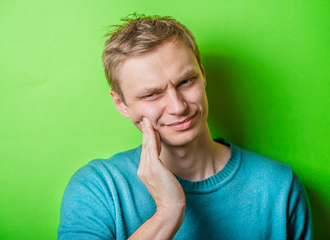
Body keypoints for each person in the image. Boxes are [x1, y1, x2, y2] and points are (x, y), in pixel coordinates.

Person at [58, 14, 312, 239]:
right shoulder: (99, 189)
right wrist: (168, 211)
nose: (177, 107)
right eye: (151, 95)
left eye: (186, 81)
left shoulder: (278, 186)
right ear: (121, 104)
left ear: (203, 76)